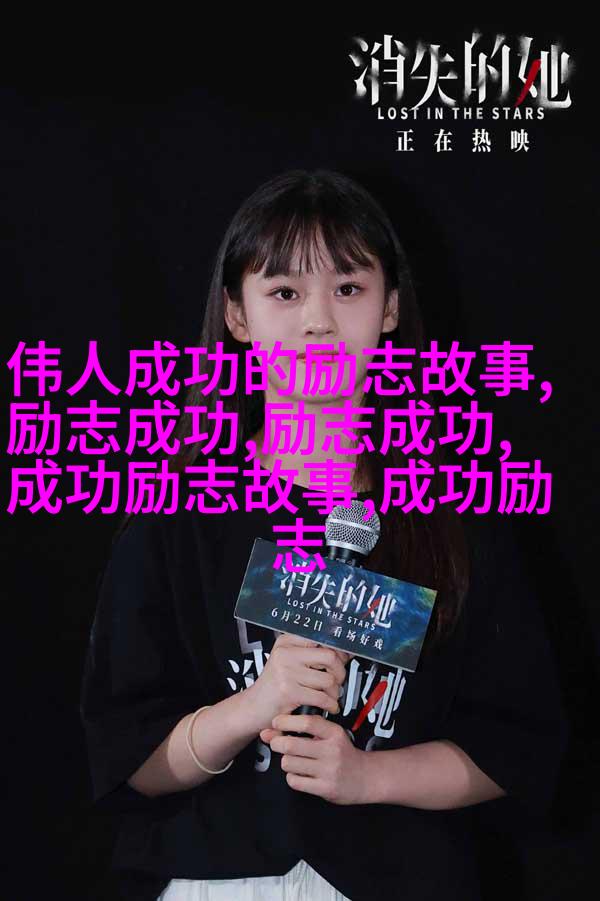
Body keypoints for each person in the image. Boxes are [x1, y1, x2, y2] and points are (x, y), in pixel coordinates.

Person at [80, 169, 569, 901]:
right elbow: (127, 757)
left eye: (347, 288)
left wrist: (369, 776)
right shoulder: (177, 513)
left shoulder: (455, 515)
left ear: (390, 307)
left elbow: (516, 746)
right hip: (216, 873)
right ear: (237, 314)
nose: (318, 321)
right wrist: (253, 705)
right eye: (284, 292)